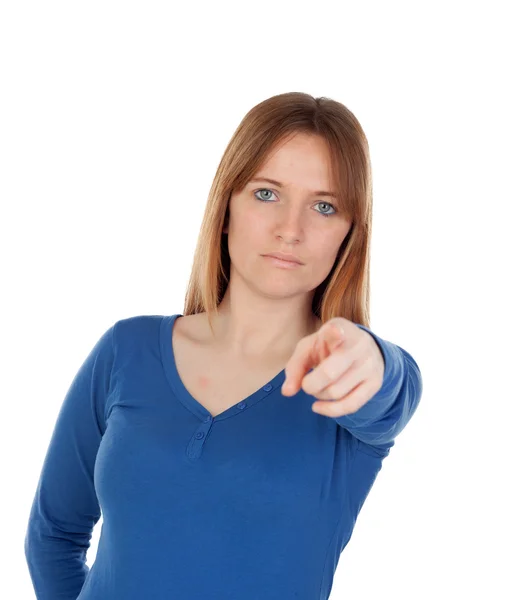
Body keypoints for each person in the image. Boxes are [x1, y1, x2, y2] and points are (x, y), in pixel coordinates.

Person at [24, 92, 423, 599]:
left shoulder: (347, 387)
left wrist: (374, 358)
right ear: (227, 206)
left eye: (324, 207)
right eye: (266, 193)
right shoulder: (127, 350)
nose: (290, 229)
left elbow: (397, 388)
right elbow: (54, 534)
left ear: (349, 233)